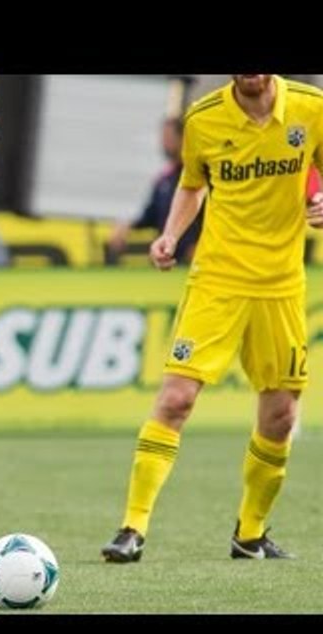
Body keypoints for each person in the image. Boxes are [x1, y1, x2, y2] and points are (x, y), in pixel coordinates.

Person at [101, 75, 323, 563]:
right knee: (176, 399)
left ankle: (250, 534)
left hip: (281, 286)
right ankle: (132, 527)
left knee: (281, 416)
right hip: (217, 281)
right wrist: (170, 235)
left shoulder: (312, 108)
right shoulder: (203, 119)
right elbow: (192, 185)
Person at [108, 117, 202, 265]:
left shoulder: (199, 176)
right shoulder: (164, 178)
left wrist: (201, 245)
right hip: (167, 260)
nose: (164, 142)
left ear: (183, 138)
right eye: (163, 137)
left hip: (196, 260)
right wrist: (127, 225)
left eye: (169, 137)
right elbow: (150, 215)